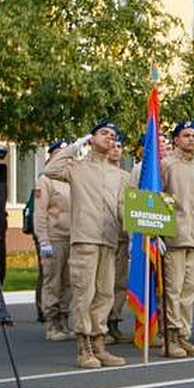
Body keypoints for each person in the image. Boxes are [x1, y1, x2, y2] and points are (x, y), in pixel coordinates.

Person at [44, 122, 129, 370]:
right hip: (85, 237)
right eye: (104, 133)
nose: (109, 139)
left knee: (105, 293)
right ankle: (84, 346)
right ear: (92, 138)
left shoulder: (120, 175)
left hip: (109, 238)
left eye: (113, 136)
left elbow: (123, 207)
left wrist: (139, 227)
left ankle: (99, 342)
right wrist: (75, 146)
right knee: (85, 293)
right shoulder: (77, 168)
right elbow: (51, 169)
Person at [160, 120, 194, 357]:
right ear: (177, 139)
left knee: (191, 288)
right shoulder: (166, 165)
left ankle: (184, 335)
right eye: (186, 135)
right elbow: (157, 198)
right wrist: (158, 232)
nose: (191, 139)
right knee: (174, 289)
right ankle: (170, 336)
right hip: (174, 236)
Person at [33, 140, 74, 343]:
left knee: (69, 282)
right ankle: (51, 322)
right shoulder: (46, 180)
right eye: (58, 153)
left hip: (73, 237)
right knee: (53, 281)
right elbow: (40, 213)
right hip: (55, 237)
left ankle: (64, 319)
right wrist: (43, 240)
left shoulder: (71, 178)